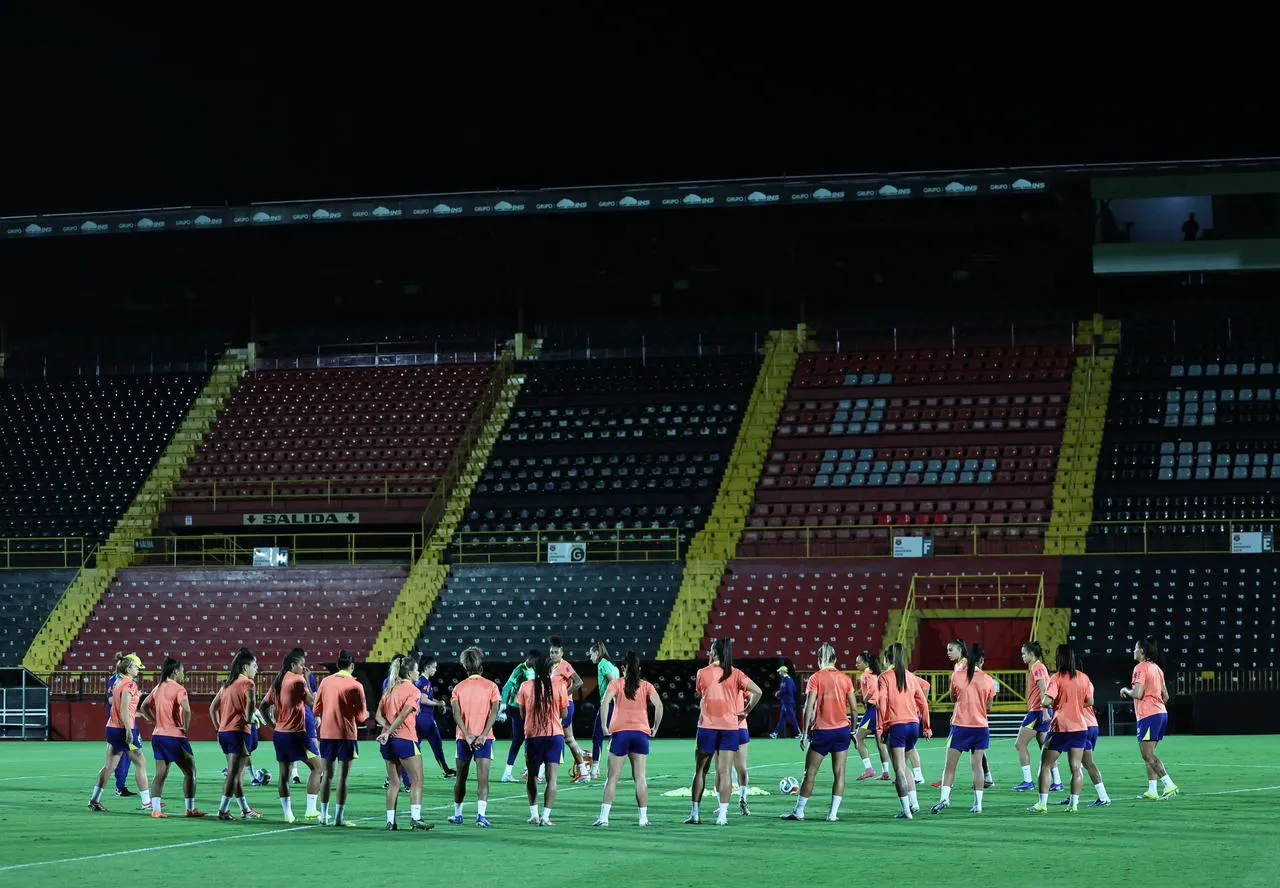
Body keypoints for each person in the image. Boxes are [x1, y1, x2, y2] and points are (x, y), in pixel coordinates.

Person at [687, 638, 762, 826]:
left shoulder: (702, 672)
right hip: (729, 728)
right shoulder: (736, 673)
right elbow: (758, 692)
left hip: (707, 727)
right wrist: (746, 711)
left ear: (714, 652)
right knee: (726, 772)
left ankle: (695, 814)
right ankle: (722, 816)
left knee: (700, 771)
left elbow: (701, 693)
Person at [781, 643, 857, 822]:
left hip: (823, 731)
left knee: (810, 773)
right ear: (835, 659)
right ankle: (832, 814)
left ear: (819, 659)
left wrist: (804, 733)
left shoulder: (815, 678)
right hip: (842, 731)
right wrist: (853, 731)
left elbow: (808, 707)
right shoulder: (845, 679)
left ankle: (799, 812)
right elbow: (854, 709)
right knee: (840, 773)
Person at [595, 650, 663, 828]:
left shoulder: (616, 684)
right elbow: (659, 705)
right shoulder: (646, 685)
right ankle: (643, 819)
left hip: (621, 734)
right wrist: (655, 727)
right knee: (640, 778)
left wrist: (604, 726)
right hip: (641, 734)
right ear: (638, 669)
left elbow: (605, 703)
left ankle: (604, 818)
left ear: (623, 668)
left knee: (612, 778)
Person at [931, 645, 996, 815]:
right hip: (981, 727)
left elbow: (953, 697)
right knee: (977, 767)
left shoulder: (957, 675)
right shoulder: (988, 679)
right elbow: (989, 706)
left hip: (961, 725)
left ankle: (944, 799)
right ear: (981, 660)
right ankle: (978, 804)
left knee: (950, 766)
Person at [1027, 644, 1091, 814]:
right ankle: (1074, 804)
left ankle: (1042, 804)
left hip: (1061, 727)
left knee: (1045, 764)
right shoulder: (1083, 677)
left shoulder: (1056, 678)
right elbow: (1090, 701)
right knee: (1076, 767)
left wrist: (1053, 705)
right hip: (1080, 727)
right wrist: (1075, 705)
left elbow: (1046, 701)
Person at [260, 648, 322, 822]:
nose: (304, 668)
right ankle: (311, 809)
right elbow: (313, 702)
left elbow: (263, 706)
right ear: (293, 665)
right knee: (318, 768)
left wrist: (272, 725)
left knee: (284, 776)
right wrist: (308, 680)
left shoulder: (278, 681)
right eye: (302, 665)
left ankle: (288, 814)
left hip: (280, 735)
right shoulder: (298, 680)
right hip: (297, 734)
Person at [140, 656, 205, 819]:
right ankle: (190, 809)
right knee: (190, 771)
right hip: (174, 736)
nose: (183, 674)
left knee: (160, 774)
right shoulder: (178, 689)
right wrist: (186, 727)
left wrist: (154, 720)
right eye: (182, 671)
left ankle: (156, 810)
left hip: (157, 736)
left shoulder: (158, 688)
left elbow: (144, 706)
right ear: (175, 672)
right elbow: (187, 709)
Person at [375, 654, 432, 831]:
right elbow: (404, 714)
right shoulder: (414, 691)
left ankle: (390, 822)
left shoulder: (389, 689)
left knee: (394, 782)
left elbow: (378, 716)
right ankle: (416, 818)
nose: (418, 673)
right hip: (405, 739)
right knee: (417, 779)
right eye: (416, 670)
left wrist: (387, 730)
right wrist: (391, 730)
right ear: (409, 673)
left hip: (387, 741)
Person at [88, 653, 151, 812]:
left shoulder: (118, 683)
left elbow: (119, 708)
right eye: (136, 667)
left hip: (112, 728)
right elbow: (124, 709)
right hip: (124, 729)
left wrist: (136, 714)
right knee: (141, 763)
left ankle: (94, 800)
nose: (138, 670)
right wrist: (129, 730)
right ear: (128, 668)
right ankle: (147, 802)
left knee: (109, 766)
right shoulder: (130, 685)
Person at [314, 649, 369, 827]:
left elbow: (316, 709)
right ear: (352, 666)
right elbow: (361, 717)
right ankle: (339, 818)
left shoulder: (325, 682)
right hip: (346, 735)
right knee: (342, 778)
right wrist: (365, 714)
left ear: (338, 665)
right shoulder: (356, 685)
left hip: (327, 734)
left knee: (326, 776)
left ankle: (323, 816)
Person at [448, 646, 501, 827]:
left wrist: (467, 734)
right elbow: (494, 713)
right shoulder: (491, 686)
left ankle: (458, 815)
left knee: (460, 778)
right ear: (481, 665)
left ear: (465, 666)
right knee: (483, 778)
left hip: (464, 738)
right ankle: (481, 816)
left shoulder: (458, 688)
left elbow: (456, 714)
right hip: (485, 739)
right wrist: (484, 735)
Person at [878, 642, 931, 820]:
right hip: (913, 726)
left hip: (897, 726)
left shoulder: (884, 677)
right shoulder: (910, 676)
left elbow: (882, 704)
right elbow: (923, 703)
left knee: (899, 769)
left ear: (887, 659)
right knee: (905, 766)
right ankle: (914, 803)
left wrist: (880, 727)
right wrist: (927, 726)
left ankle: (906, 810)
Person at [516, 651, 570, 826]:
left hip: (533, 736)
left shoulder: (525, 686)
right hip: (554, 735)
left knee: (532, 776)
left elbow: (522, 714)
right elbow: (564, 713)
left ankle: (534, 815)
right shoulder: (559, 686)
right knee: (552, 779)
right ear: (550, 669)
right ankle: (546, 817)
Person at [1120, 636, 1178, 799]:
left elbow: (1138, 693)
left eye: (1135, 648)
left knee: (1147, 755)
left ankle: (1169, 784)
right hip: (1161, 714)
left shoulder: (1140, 668)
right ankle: (1152, 790)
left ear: (1142, 651)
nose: (1133, 651)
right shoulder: (1157, 668)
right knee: (1149, 754)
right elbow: (1166, 696)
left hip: (1149, 716)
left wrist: (1125, 690)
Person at [212, 648, 262, 821]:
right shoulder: (248, 684)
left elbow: (212, 708)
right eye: (254, 666)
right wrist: (250, 717)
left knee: (236, 774)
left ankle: (245, 809)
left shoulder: (226, 685)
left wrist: (218, 728)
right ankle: (222, 810)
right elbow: (251, 706)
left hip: (224, 733)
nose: (256, 669)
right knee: (234, 774)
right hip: (238, 733)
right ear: (245, 667)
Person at [1060, 659, 1111, 808]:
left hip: (1082, 726)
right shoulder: (1086, 682)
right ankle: (1073, 795)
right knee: (1079, 762)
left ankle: (1103, 797)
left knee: (1085, 763)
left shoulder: (1070, 682)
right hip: (1092, 724)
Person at [1013, 641, 1062, 792]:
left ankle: (1028, 781)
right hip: (1042, 711)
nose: (1022, 656)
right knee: (1045, 748)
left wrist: (1045, 711)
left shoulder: (1037, 667)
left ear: (1031, 654)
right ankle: (1057, 782)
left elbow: (1043, 689)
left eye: (1024, 653)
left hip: (1038, 712)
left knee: (1020, 744)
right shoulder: (1039, 667)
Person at [548, 636, 589, 784]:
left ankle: (540, 772)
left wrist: (565, 695)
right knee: (569, 739)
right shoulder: (553, 667)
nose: (553, 654)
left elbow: (578, 682)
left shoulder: (565, 665)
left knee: (552, 736)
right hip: (559, 706)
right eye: (551, 652)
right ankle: (584, 771)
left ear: (562, 653)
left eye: (556, 652)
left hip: (565, 706)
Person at [415, 656, 457, 779]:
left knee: (413, 748)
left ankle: (395, 776)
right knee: (437, 743)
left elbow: (425, 697)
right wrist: (439, 704)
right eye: (433, 667)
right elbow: (424, 700)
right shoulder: (425, 682)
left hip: (416, 718)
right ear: (427, 667)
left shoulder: (418, 680)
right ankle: (446, 770)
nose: (435, 670)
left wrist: (438, 701)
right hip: (426, 719)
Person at [852, 651, 892, 781]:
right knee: (880, 741)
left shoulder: (865, 675)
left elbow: (873, 689)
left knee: (858, 738)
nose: (856, 665)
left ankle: (869, 769)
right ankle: (886, 772)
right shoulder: (875, 675)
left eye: (858, 663)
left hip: (873, 709)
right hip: (880, 709)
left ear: (866, 663)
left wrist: (865, 700)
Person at [499, 650, 537, 783]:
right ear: (530, 658)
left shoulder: (534, 669)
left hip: (529, 708)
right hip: (517, 708)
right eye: (536, 660)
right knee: (519, 740)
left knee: (529, 739)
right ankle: (508, 773)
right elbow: (506, 687)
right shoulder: (520, 669)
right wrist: (503, 706)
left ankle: (526, 770)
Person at [587, 642, 621, 781]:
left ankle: (594, 770)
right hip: (616, 705)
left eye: (591, 654)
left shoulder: (602, 664)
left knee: (597, 736)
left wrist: (609, 699)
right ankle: (614, 769)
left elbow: (613, 682)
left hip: (607, 704)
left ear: (597, 653)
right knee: (614, 738)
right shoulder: (612, 665)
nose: (590, 657)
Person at [105, 653, 136, 801]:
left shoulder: (124, 681)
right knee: (122, 758)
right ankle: (121, 786)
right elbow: (112, 700)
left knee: (124, 758)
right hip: (119, 723)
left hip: (122, 722)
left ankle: (98, 796)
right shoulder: (117, 681)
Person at [290, 659, 320, 785]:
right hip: (294, 715)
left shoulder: (310, 677)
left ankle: (319, 772)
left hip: (307, 714)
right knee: (294, 744)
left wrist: (317, 715)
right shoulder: (289, 678)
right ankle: (295, 774)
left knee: (313, 741)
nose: (303, 667)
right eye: (301, 664)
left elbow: (314, 697)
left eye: (303, 664)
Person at [769, 665, 800, 740]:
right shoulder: (790, 679)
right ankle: (775, 733)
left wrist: (777, 694)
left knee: (792, 718)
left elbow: (783, 691)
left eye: (780, 671)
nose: (779, 673)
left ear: (783, 672)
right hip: (788, 701)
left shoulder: (785, 680)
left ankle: (799, 733)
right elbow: (794, 689)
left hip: (787, 702)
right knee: (782, 719)